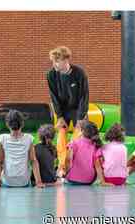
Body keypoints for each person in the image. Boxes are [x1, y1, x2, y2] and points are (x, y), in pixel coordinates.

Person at [46, 46, 89, 177]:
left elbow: (84, 96)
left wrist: (81, 118)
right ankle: (62, 166)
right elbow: (53, 96)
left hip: (77, 109)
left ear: (65, 60)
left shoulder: (79, 73)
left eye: (56, 61)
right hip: (63, 110)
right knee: (61, 134)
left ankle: (74, 166)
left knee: (77, 138)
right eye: (53, 61)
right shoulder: (51, 74)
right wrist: (59, 116)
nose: (54, 64)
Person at [0, 110, 45, 189]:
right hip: (24, 181)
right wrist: (39, 182)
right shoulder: (29, 138)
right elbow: (33, 161)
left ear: (7, 124)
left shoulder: (2, 138)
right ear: (22, 124)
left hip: (8, 182)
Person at [64, 120, 101, 185]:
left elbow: (68, 159)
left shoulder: (74, 143)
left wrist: (66, 173)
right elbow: (97, 165)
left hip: (73, 179)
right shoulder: (96, 145)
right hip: (89, 180)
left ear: (82, 131)